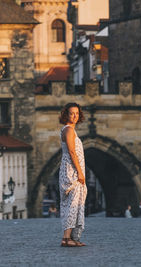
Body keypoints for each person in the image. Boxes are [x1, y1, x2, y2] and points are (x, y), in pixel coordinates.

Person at [59, 103, 88, 247]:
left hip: (71, 170)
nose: (75, 116)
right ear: (66, 115)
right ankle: (66, 238)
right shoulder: (69, 130)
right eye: (72, 113)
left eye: (77, 113)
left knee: (73, 203)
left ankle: (71, 237)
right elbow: (72, 152)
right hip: (71, 172)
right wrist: (80, 172)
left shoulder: (70, 130)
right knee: (72, 204)